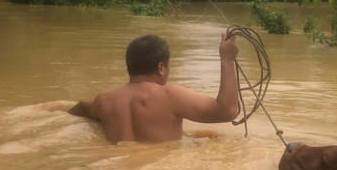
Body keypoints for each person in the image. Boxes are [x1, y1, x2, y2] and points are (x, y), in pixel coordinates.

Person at [68, 33, 240, 143]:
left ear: (130, 67)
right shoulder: (169, 95)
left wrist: (59, 110)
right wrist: (227, 59)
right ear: (161, 68)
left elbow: (82, 107)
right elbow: (228, 111)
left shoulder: (103, 100)